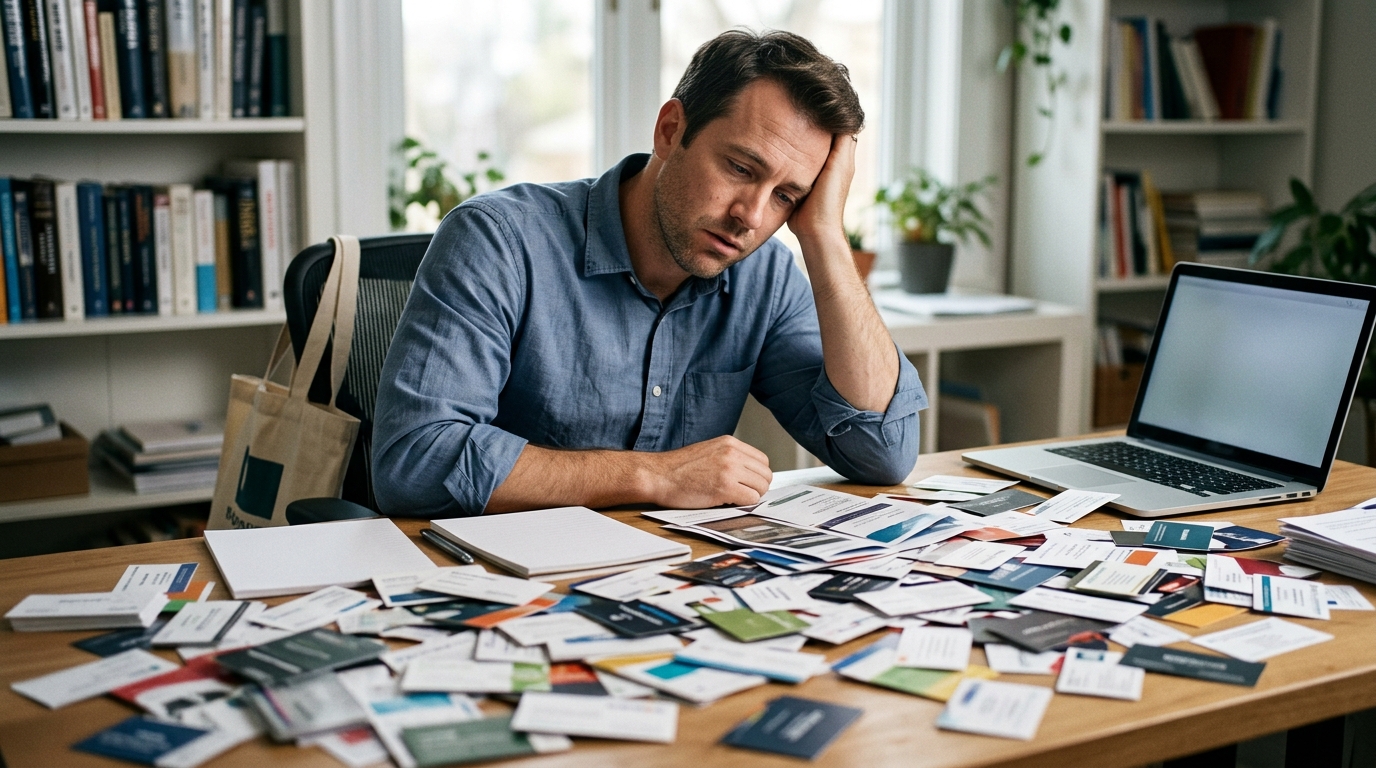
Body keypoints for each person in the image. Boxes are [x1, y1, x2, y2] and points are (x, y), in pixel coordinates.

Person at [372, 29, 927, 517]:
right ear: (669, 130)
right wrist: (655, 475)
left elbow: (882, 452)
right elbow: (414, 460)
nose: (752, 217)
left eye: (786, 195)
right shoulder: (499, 240)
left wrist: (825, 236)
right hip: (490, 584)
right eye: (740, 168)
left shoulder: (767, 278)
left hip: (670, 585)